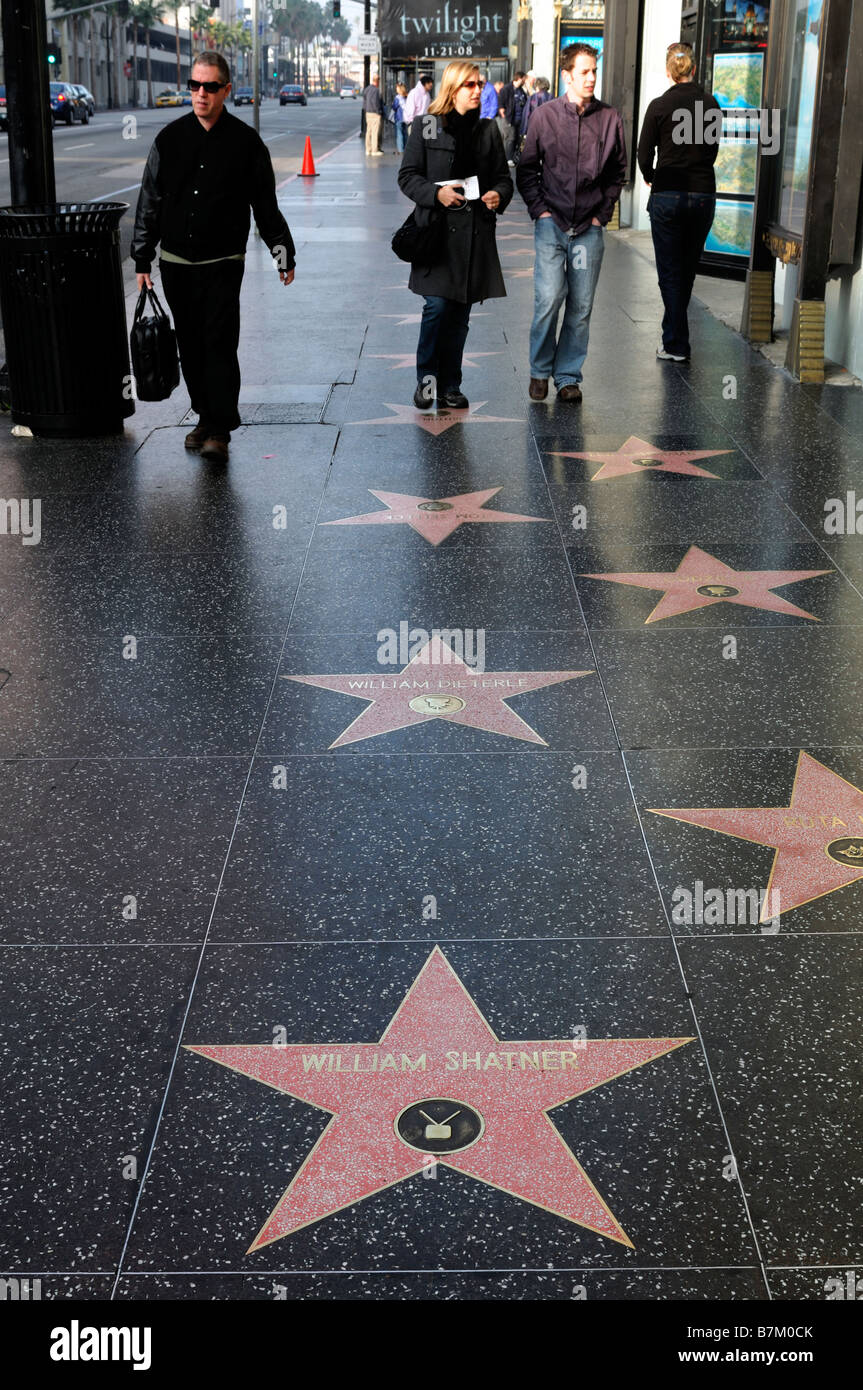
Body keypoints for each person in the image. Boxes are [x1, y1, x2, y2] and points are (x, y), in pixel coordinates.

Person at [132, 51, 295, 463]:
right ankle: (205, 416)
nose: (200, 94)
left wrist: (282, 254)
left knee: (219, 343)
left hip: (223, 262)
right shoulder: (169, 140)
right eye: (194, 85)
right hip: (176, 263)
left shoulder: (245, 143)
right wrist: (141, 258)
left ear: (226, 90)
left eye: (209, 87)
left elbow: (265, 205)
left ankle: (220, 427)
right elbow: (149, 200)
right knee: (190, 345)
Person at [398, 60, 513, 410]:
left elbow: (503, 179)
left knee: (460, 316)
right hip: (436, 234)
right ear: (452, 88)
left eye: (480, 84)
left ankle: (451, 385)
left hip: (473, 236)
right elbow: (408, 176)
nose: (478, 90)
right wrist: (437, 194)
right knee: (436, 307)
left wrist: (499, 195)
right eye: (470, 85)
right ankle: (427, 381)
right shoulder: (428, 125)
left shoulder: (487, 130)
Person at [516, 46, 626, 403]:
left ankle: (567, 377)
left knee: (581, 306)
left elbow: (616, 173)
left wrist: (602, 215)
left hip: (589, 227)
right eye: (585, 72)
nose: (592, 78)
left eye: (594, 71)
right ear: (567, 76)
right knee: (549, 298)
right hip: (552, 223)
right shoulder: (544, 116)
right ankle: (538, 371)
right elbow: (527, 169)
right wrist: (540, 211)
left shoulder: (610, 119)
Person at [637, 42, 720, 362]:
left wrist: (650, 174)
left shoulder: (659, 106)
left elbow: (644, 153)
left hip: (668, 192)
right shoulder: (711, 104)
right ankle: (672, 337)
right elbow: (712, 151)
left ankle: (676, 343)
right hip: (702, 194)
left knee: (670, 271)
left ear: (669, 71)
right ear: (694, 69)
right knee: (686, 269)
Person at [499, 71, 527, 162]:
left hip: (519, 120)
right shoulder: (506, 89)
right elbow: (501, 105)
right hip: (509, 119)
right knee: (510, 139)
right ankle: (508, 159)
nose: (524, 81)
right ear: (519, 78)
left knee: (517, 139)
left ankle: (514, 157)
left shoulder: (521, 90)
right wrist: (505, 117)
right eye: (523, 79)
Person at [363, 76, 384, 155]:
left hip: (368, 112)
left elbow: (364, 101)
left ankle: (368, 149)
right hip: (375, 113)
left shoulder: (367, 89)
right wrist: (379, 111)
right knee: (375, 131)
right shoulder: (376, 90)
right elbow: (375, 102)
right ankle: (374, 150)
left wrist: (366, 110)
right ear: (377, 81)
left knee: (369, 131)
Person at [391, 81, 409, 154]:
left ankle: (400, 150)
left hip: (399, 118)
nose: (396, 89)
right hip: (406, 118)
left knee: (399, 134)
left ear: (399, 89)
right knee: (405, 133)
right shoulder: (406, 96)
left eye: (397, 88)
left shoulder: (397, 98)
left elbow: (394, 107)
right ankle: (405, 148)